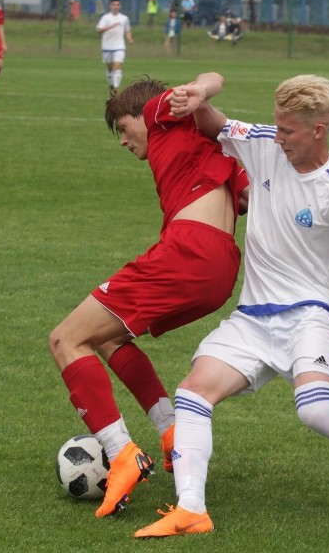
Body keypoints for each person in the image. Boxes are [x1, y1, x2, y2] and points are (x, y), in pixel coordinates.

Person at [133, 73, 329, 538]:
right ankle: (192, 509)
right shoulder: (263, 143)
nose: (278, 138)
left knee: (314, 409)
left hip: (311, 316)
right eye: (276, 126)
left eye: (288, 131)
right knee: (193, 393)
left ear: (319, 129)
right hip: (253, 317)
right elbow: (213, 123)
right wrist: (201, 94)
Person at [48, 76, 248, 520]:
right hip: (220, 272)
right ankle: (171, 432)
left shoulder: (159, 116)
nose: (123, 141)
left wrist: (198, 87)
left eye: (123, 128)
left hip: (186, 252)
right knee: (106, 336)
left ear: (144, 114)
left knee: (65, 340)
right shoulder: (219, 151)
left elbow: (210, 81)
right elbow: (255, 200)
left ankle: (121, 455)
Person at [96, 0, 133, 90]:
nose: (115, 7)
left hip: (119, 46)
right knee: (109, 68)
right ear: (110, 6)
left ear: (120, 6)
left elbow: (127, 30)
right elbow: (99, 30)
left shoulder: (124, 18)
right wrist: (110, 26)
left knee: (117, 65)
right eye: (113, 5)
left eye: (117, 5)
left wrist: (129, 39)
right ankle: (111, 83)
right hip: (107, 46)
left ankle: (116, 88)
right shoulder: (105, 18)